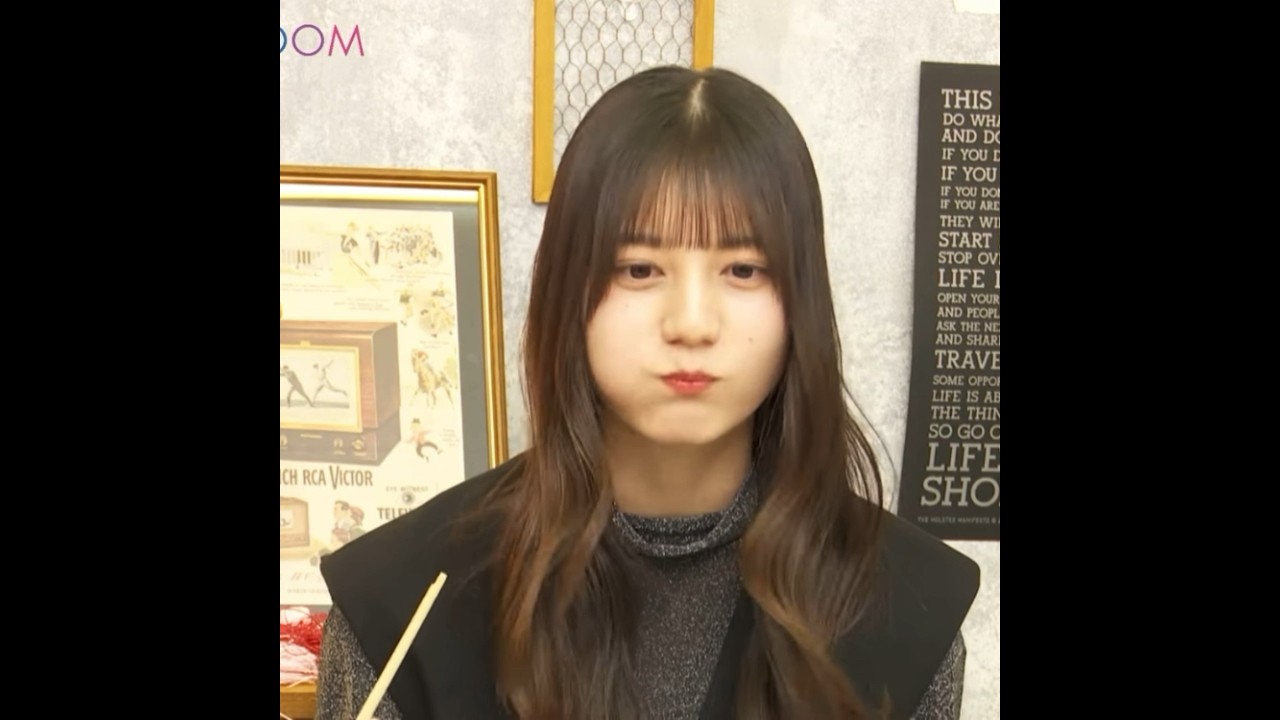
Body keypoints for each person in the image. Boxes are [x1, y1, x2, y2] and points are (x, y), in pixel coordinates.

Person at [314, 65, 979, 720]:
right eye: (639, 269)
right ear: (568, 291)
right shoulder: (405, 603)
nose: (691, 323)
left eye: (743, 269)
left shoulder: (907, 609)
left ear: (799, 302)